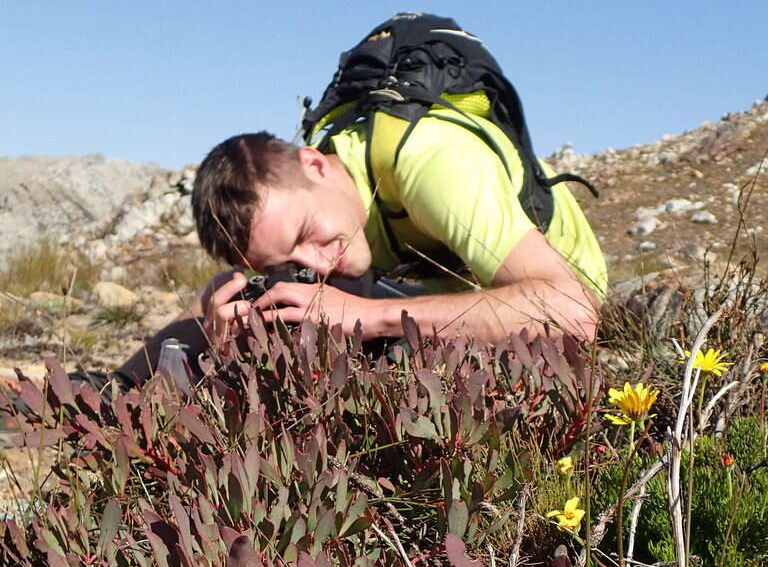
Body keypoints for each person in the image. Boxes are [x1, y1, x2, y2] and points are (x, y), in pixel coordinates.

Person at [116, 90, 607, 388]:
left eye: (308, 234)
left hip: (546, 309)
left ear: (314, 164)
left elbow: (573, 312)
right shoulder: (331, 202)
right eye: (282, 261)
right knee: (244, 299)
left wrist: (370, 317)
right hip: (431, 301)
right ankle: (111, 390)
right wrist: (220, 339)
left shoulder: (432, 164)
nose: (318, 263)